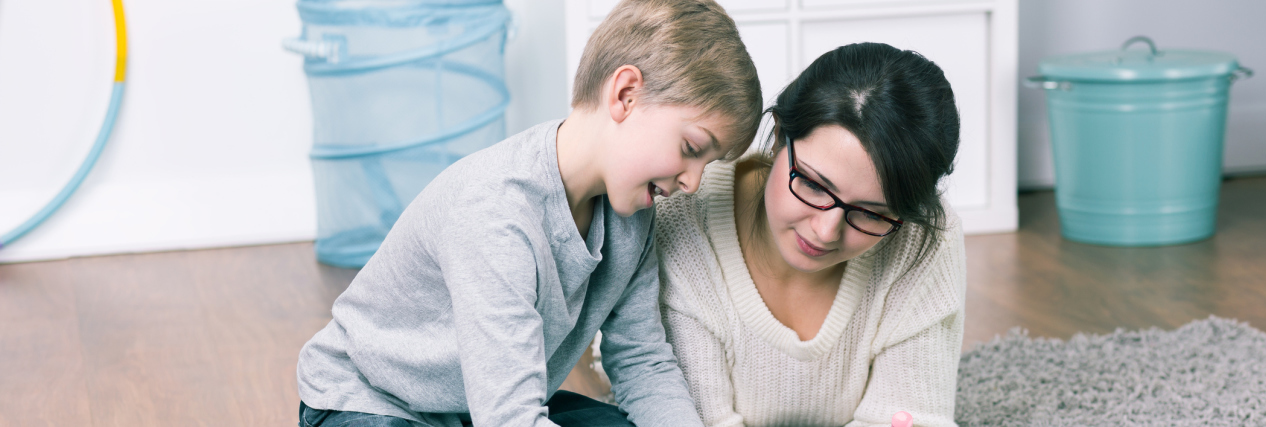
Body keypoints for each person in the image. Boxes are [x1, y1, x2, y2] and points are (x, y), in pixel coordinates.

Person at [295, 1, 763, 426]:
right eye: (691, 148)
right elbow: (510, 417)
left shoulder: (633, 221)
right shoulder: (495, 212)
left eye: (708, 164)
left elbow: (642, 361)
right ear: (625, 94)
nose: (693, 183)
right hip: (369, 401)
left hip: (482, 404)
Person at [655, 42, 965, 427]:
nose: (825, 231)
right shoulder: (683, 217)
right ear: (778, 137)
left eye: (870, 213)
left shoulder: (922, 239)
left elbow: (913, 416)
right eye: (815, 186)